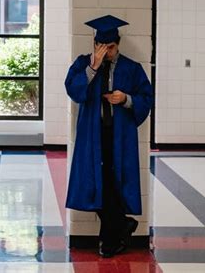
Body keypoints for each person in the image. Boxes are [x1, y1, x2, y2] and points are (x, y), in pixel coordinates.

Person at [64, 15, 153, 257]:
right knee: (96, 183)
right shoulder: (84, 64)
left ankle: (111, 237)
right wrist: (93, 66)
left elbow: (146, 98)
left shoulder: (131, 68)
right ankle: (120, 227)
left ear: (118, 44)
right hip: (93, 135)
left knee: (114, 184)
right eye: (101, 47)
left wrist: (125, 99)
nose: (107, 52)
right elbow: (74, 90)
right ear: (94, 44)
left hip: (119, 135)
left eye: (111, 47)